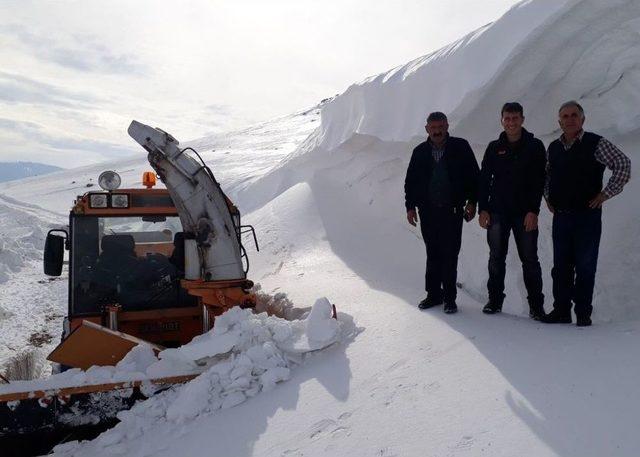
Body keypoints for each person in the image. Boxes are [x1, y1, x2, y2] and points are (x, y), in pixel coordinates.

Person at [543, 100, 631, 326]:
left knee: (585, 265)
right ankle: (561, 310)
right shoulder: (553, 147)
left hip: (587, 216)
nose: (569, 119)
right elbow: (546, 175)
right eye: (565, 116)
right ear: (559, 122)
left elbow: (623, 164)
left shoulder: (596, 143)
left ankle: (583, 313)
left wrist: (604, 194)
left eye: (574, 115)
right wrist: (548, 197)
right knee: (561, 267)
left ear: (582, 119)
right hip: (561, 216)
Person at [404, 111, 480, 314]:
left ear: (447, 126)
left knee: (450, 255)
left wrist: (472, 202)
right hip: (428, 212)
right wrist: (410, 207)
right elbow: (410, 182)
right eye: (433, 128)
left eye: (440, 127)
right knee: (433, 253)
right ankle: (433, 295)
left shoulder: (461, 147)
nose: (437, 131)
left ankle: (449, 298)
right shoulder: (419, 152)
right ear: (427, 129)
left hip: (453, 211)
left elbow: (474, 177)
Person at [477, 102, 546, 320]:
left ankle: (536, 306)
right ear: (502, 120)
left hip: (524, 213)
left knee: (530, 260)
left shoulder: (535, 146)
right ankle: (495, 300)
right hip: (497, 212)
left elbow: (539, 181)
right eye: (507, 118)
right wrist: (483, 208)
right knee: (496, 257)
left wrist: (533, 211)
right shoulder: (494, 147)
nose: (511, 122)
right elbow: (484, 179)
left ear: (522, 119)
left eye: (515, 118)